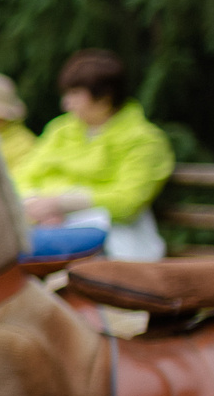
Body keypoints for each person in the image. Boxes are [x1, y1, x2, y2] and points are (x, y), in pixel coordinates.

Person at [12, 49, 174, 261]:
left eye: (75, 94)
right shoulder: (60, 130)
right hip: (47, 228)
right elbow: (21, 177)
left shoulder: (145, 140)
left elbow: (128, 201)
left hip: (110, 238)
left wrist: (63, 204)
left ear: (105, 97)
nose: (66, 103)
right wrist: (37, 205)